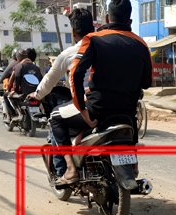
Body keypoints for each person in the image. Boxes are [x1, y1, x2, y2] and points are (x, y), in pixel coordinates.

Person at [55, 0, 152, 184]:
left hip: (98, 110)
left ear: (107, 18)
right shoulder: (141, 45)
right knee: (130, 123)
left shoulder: (94, 39)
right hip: (127, 114)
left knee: (55, 117)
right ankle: (133, 165)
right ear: (130, 21)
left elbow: (75, 73)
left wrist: (82, 109)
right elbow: (146, 83)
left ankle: (70, 169)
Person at [29, 7, 95, 177]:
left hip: (89, 103)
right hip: (116, 103)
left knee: (55, 118)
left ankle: (66, 170)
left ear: (73, 32)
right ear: (93, 26)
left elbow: (49, 80)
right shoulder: (107, 46)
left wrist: (37, 95)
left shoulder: (70, 53)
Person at [6, 48, 42, 122]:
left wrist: (14, 90)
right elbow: (41, 79)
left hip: (24, 93)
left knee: (7, 96)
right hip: (36, 93)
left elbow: (16, 79)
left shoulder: (19, 66)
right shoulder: (36, 67)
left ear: (18, 57)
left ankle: (16, 114)